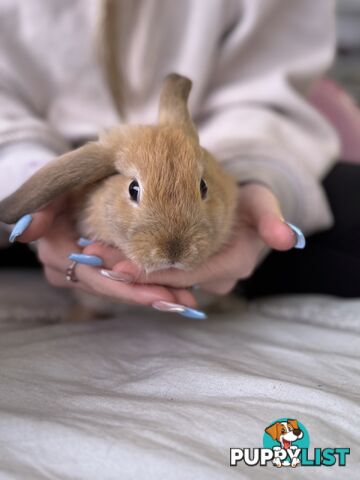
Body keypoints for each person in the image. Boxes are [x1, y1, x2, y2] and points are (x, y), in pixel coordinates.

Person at [0, 0, 348, 317]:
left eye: (201, 188)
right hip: (35, 152)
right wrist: (27, 175)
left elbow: (270, 86)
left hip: (233, 140)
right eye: (135, 192)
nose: (173, 246)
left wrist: (257, 176)